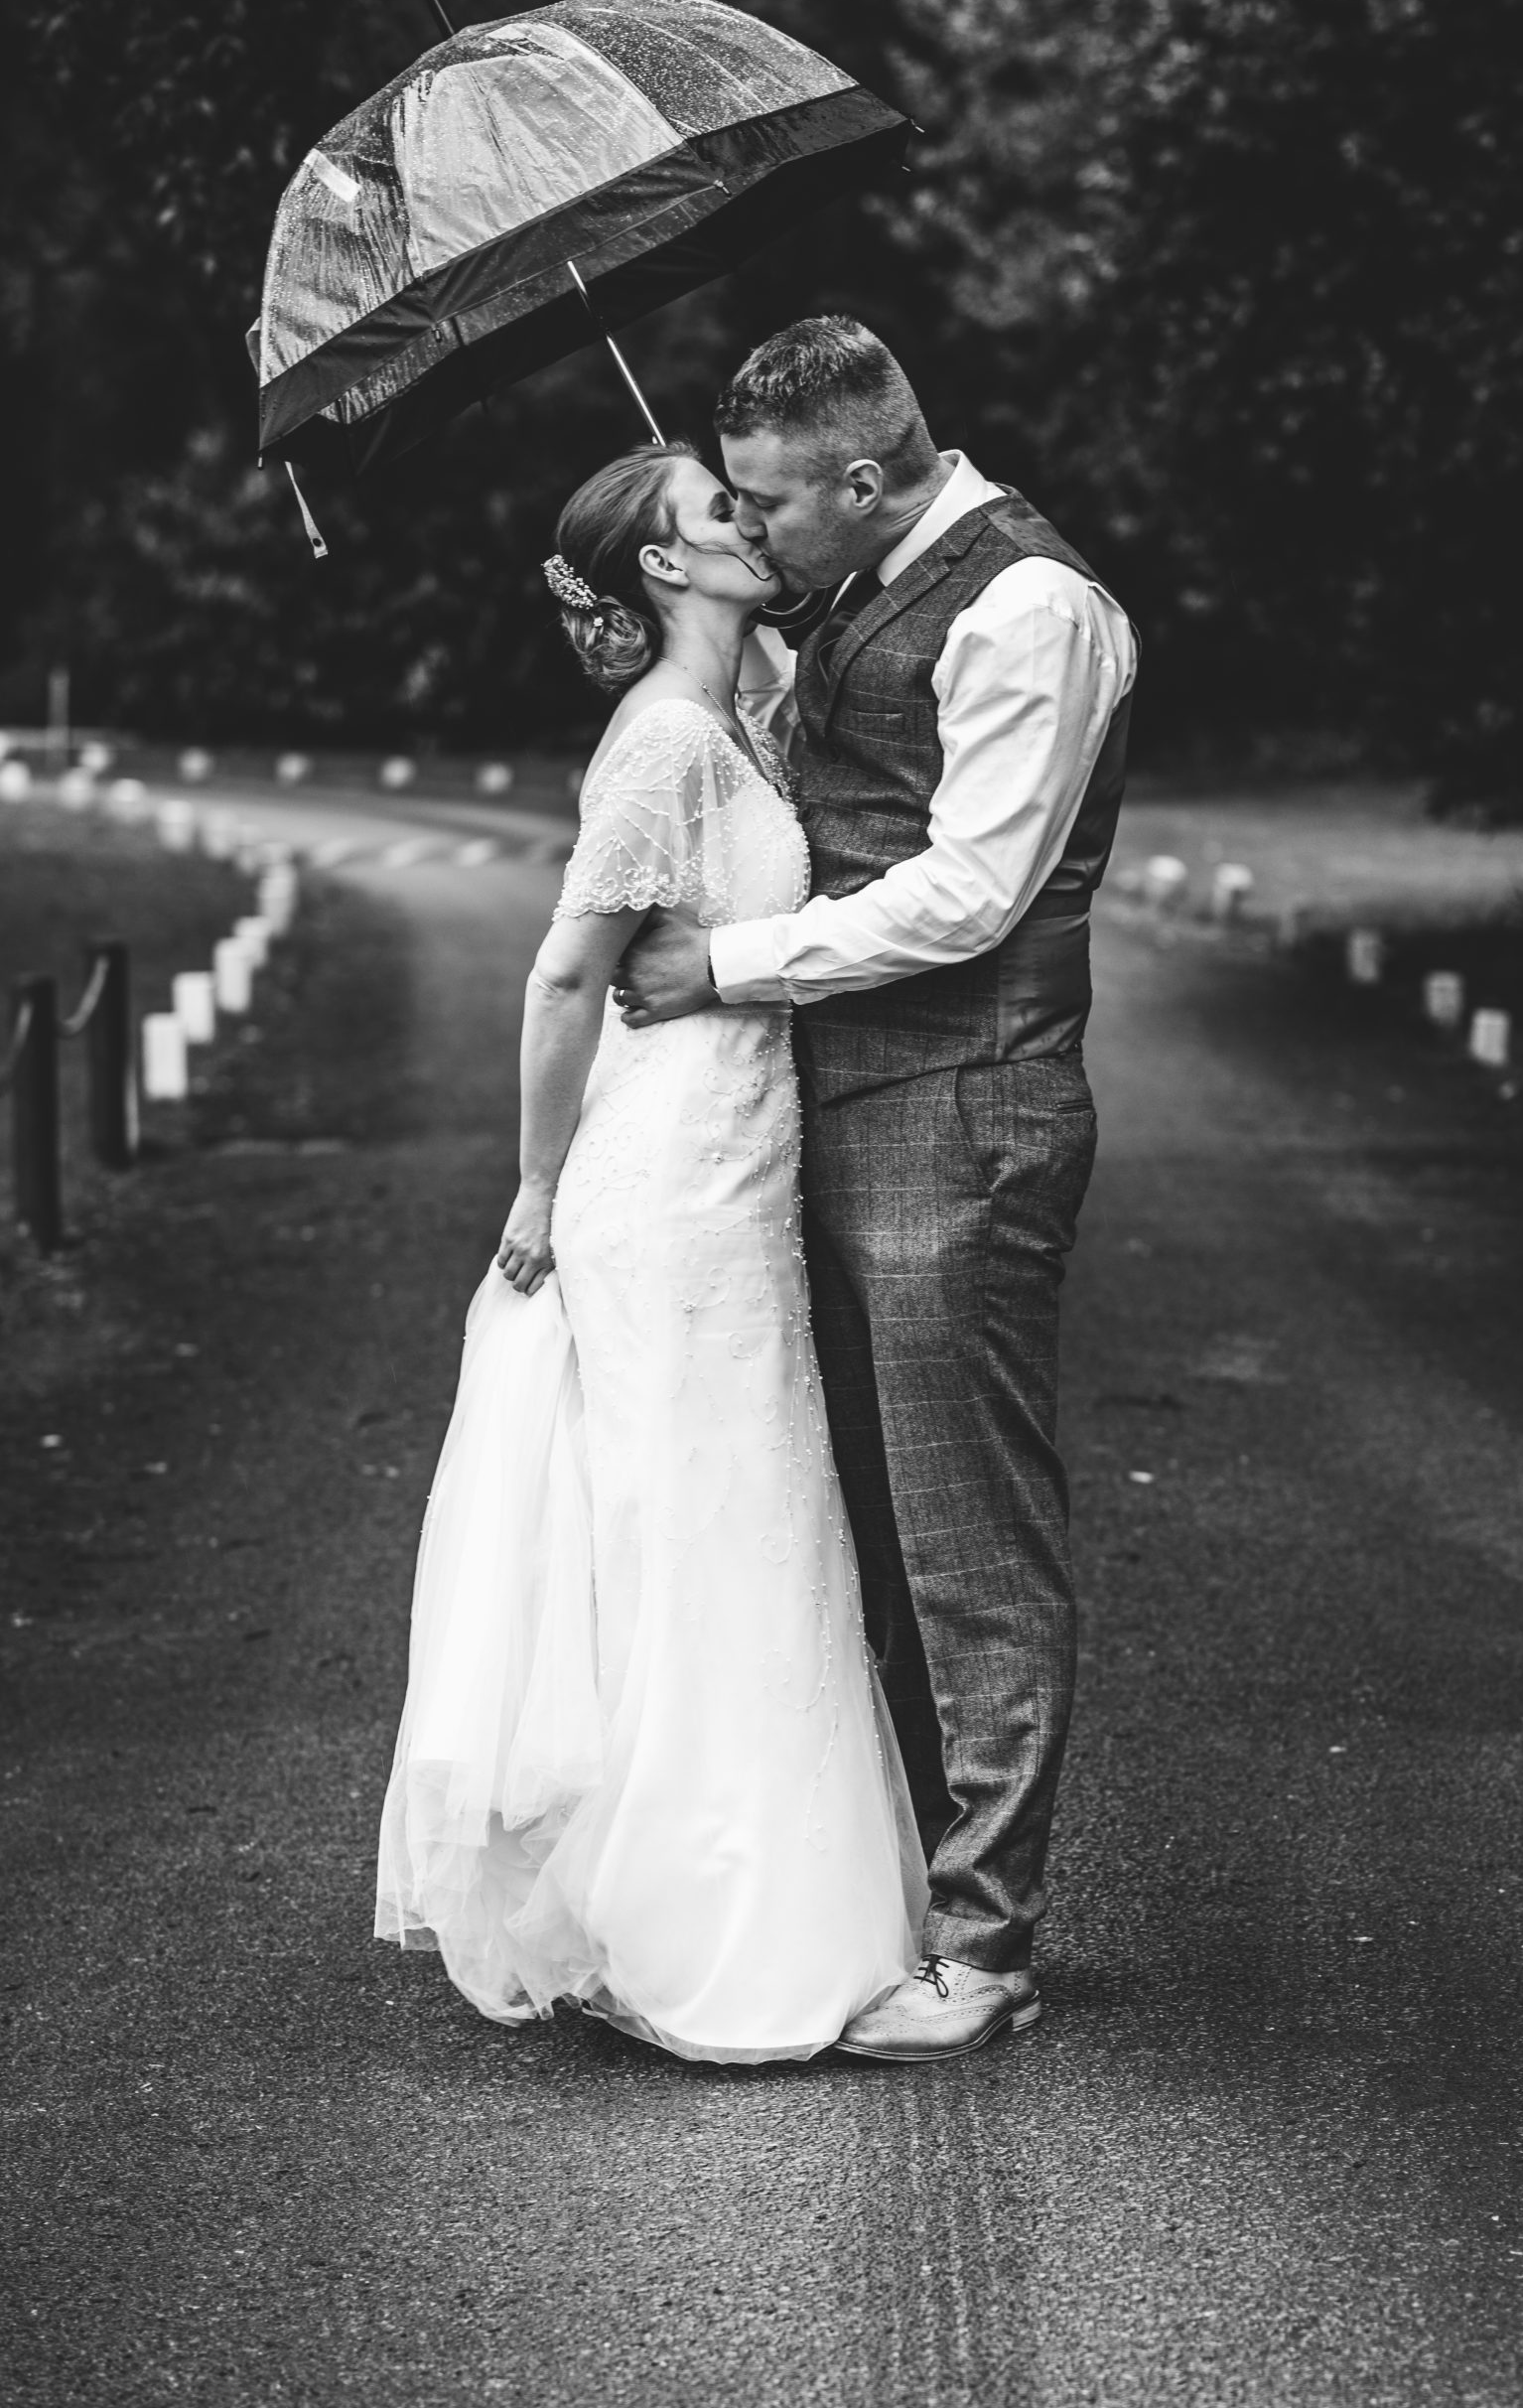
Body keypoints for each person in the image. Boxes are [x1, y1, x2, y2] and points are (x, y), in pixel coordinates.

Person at [616, 318, 1138, 2061]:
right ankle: (906, 1892)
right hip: (832, 1115)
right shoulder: (845, 589)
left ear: (865, 474)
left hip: (965, 1108)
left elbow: (970, 894)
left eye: (773, 504)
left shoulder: (1027, 609)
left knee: (968, 1541)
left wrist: (727, 965)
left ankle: (986, 1952)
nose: (754, 535)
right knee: (856, 1527)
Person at [374, 438, 926, 2063]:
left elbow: (780, 671)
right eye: (715, 514)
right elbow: (564, 977)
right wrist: (536, 1189)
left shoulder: (735, 708)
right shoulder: (665, 747)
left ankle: (745, 1895)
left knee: (752, 1508)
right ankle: (714, 1933)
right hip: (667, 1175)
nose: (751, 525)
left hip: (738, 1163)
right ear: (661, 569)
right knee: (702, 1521)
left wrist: (754, 607)